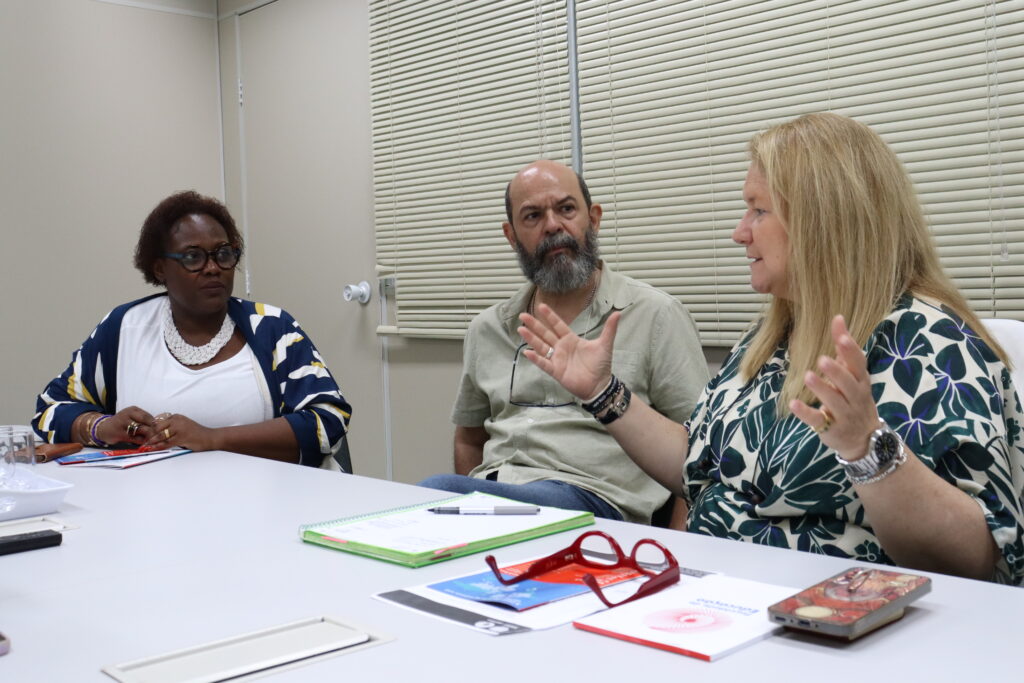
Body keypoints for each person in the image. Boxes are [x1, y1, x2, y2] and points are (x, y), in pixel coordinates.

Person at [518, 113, 1024, 584]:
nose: (740, 232)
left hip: (832, 615)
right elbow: (699, 464)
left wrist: (868, 449)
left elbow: (979, 558)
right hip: (717, 596)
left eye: (759, 210)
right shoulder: (774, 334)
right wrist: (603, 393)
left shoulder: (928, 342)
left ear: (824, 220)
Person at [419, 160, 710, 524]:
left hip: (596, 504)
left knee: (433, 495)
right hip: (498, 496)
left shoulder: (655, 315)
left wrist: (677, 549)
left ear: (594, 217)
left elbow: (701, 452)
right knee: (424, 508)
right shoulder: (487, 327)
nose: (553, 225)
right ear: (511, 236)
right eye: (533, 216)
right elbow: (469, 438)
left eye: (566, 209)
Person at [34, 191, 351, 467]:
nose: (212, 267)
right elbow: (51, 409)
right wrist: (102, 427)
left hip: (261, 504)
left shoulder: (271, 328)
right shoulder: (124, 328)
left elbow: (328, 420)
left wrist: (213, 438)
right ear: (160, 268)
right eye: (193, 257)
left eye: (223, 254)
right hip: (149, 510)